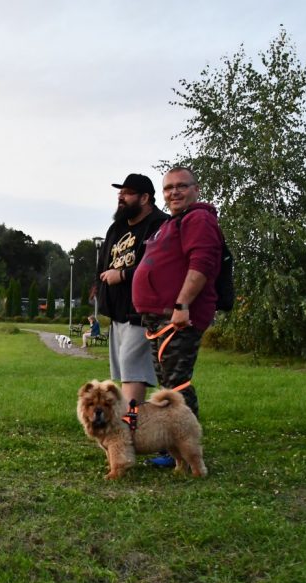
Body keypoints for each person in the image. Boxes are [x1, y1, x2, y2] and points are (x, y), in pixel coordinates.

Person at [132, 166, 223, 466]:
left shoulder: (198, 219)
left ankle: (187, 448)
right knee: (168, 386)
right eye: (169, 188)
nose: (174, 192)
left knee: (178, 386)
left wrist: (182, 305)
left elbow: (202, 264)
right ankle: (172, 445)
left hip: (178, 318)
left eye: (181, 186)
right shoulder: (172, 223)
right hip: (158, 319)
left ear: (196, 189)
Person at [94, 173, 169, 407]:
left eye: (127, 193)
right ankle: (135, 423)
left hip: (142, 310)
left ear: (145, 197)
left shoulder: (160, 225)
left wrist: (123, 275)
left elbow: (161, 265)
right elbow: (104, 263)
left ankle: (129, 425)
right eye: (120, 193)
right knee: (124, 369)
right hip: (119, 311)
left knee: (133, 369)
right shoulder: (116, 228)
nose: (121, 197)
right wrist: (98, 287)